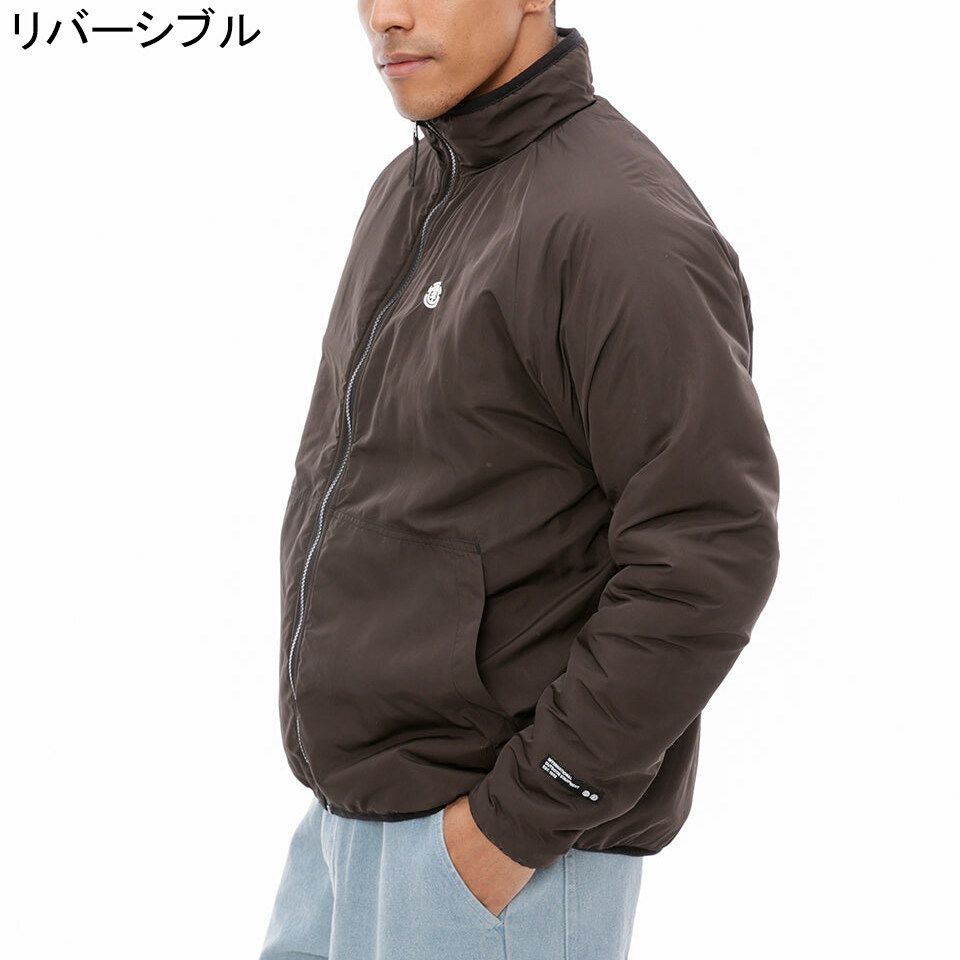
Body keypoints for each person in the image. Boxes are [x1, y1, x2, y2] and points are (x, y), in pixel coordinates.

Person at [260, 3, 780, 958]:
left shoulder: (617, 225)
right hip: (346, 831)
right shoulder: (412, 187)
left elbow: (709, 551)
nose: (387, 16)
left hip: (496, 855)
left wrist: (518, 820)